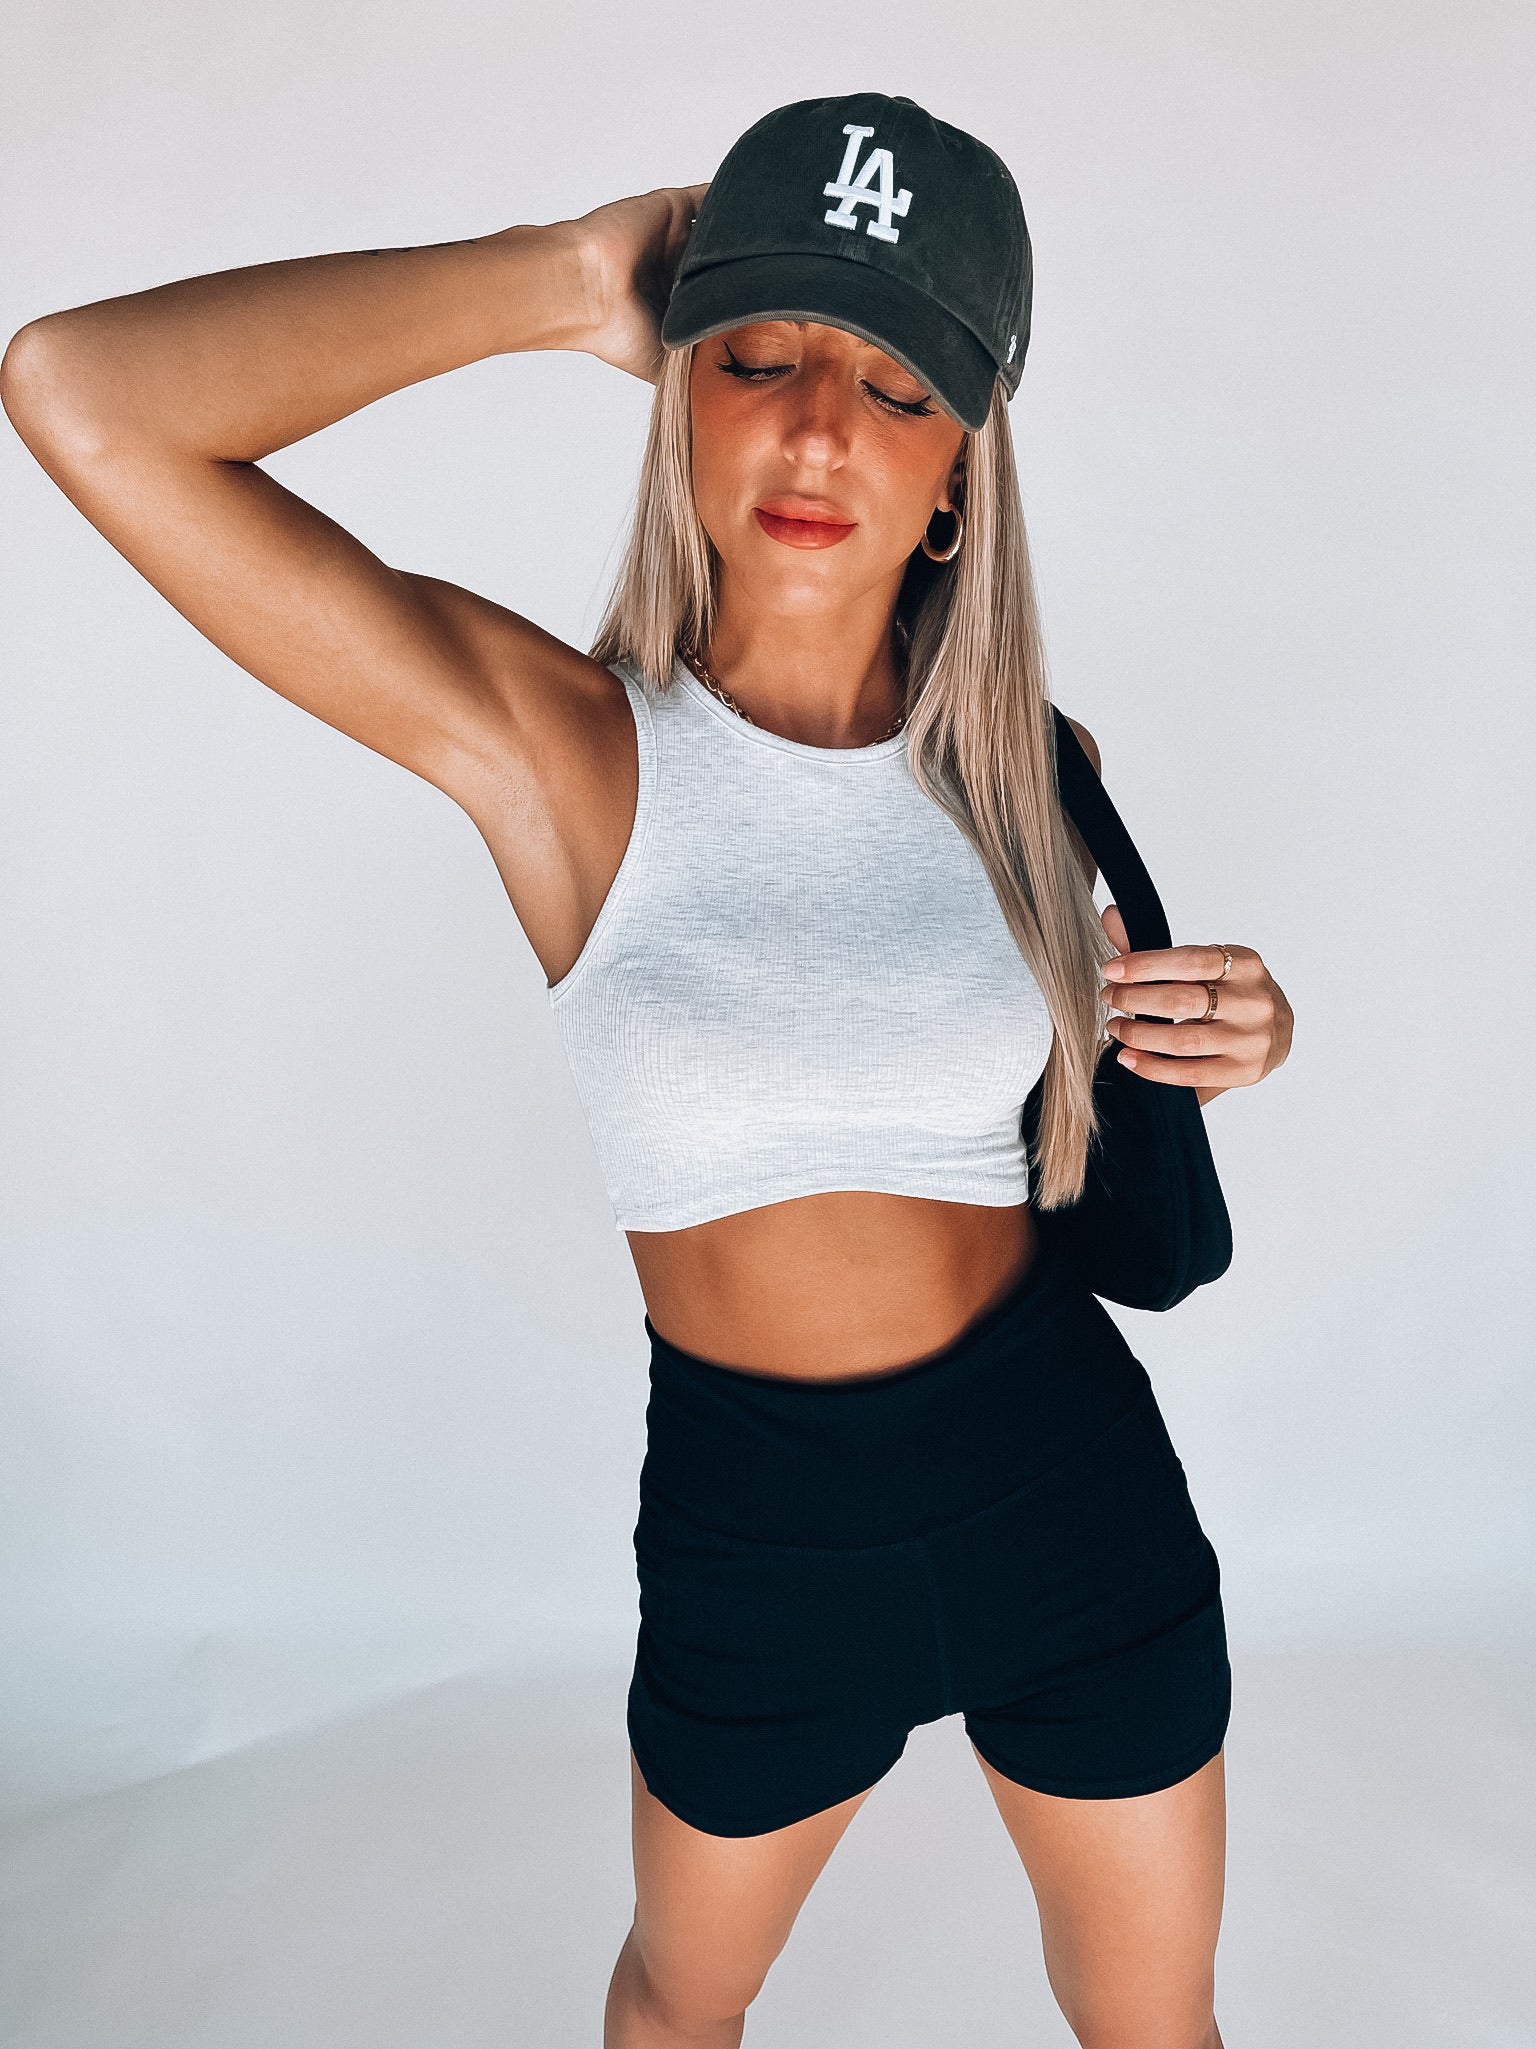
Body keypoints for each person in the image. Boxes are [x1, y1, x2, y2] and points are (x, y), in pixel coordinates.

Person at [2, 88, 1292, 2049]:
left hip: (1069, 1483)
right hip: (758, 1537)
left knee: (1157, 2027)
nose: (819, 430)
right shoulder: (563, 751)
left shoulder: (1038, 768)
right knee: (681, 2003)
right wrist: (556, 278)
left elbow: (1116, 1075)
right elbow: (79, 392)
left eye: (896, 386)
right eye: (759, 358)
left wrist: (1246, 1031)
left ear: (960, 475)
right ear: (681, 398)